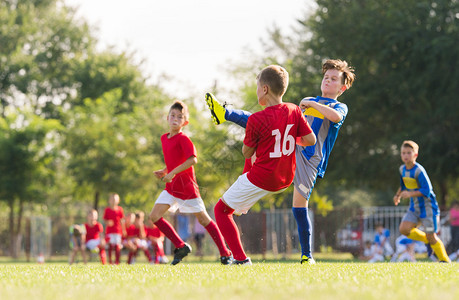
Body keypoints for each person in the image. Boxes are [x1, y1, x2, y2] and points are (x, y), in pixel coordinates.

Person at [206, 59, 355, 264]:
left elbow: (335, 117)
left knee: (299, 206)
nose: (327, 81)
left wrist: (311, 104)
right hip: (291, 149)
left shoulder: (339, 106)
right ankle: (226, 113)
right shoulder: (302, 103)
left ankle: (307, 255)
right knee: (261, 122)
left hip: (311, 159)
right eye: (326, 77)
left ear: (342, 87)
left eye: (333, 79)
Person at [213, 65, 316, 265]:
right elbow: (310, 139)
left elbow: (246, 152)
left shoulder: (257, 119)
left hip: (262, 178)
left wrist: (257, 137)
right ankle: (241, 199)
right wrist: (291, 138)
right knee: (235, 198)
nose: (257, 91)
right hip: (285, 179)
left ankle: (241, 260)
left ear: (265, 89)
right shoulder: (294, 110)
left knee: (221, 211)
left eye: (258, 87)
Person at [149, 100, 233, 265]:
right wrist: (166, 170)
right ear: (167, 117)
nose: (175, 119)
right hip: (171, 188)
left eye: (180, 117)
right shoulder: (164, 138)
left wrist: (171, 173)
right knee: (154, 216)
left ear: (185, 122)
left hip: (187, 188)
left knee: (203, 220)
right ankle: (181, 246)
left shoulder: (184, 139)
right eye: (172, 115)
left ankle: (225, 253)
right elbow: (175, 160)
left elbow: (193, 160)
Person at [393, 140, 450, 263]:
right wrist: (397, 195)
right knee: (404, 229)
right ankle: (426, 240)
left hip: (428, 209)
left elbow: (427, 190)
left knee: (431, 236)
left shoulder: (419, 170)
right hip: (414, 208)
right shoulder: (402, 169)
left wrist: (410, 194)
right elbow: (403, 184)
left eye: (409, 153)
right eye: (403, 153)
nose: (406, 155)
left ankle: (445, 260)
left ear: (415, 155)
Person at [103, 193, 126, 264]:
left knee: (117, 246)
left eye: (115, 199)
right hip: (109, 231)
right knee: (110, 245)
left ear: (118, 201)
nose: (113, 201)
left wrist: (124, 230)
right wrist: (108, 222)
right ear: (109, 201)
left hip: (117, 231)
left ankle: (117, 261)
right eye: (112, 199)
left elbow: (122, 220)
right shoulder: (107, 210)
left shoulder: (120, 209)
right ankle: (110, 261)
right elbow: (105, 219)